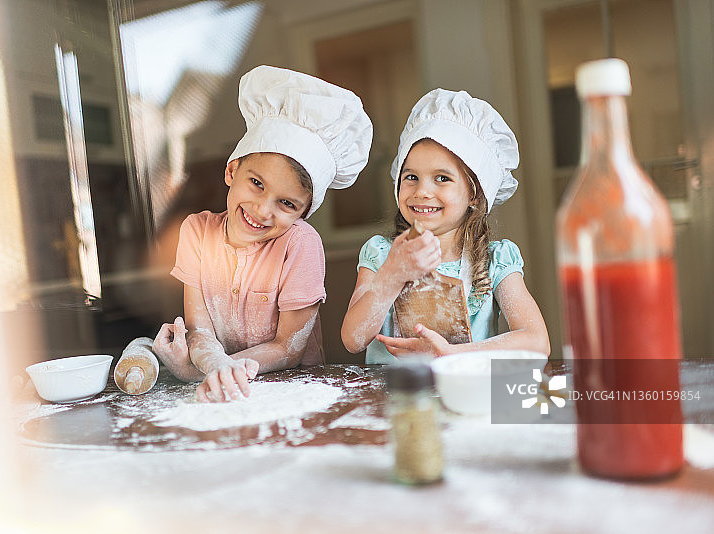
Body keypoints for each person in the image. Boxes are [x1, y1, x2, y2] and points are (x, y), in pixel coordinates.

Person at [153, 65, 372, 401]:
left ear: (304, 213)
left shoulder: (300, 244)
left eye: (286, 203)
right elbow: (201, 332)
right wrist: (213, 367)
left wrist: (213, 369)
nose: (262, 210)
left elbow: (289, 348)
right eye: (256, 184)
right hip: (223, 386)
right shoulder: (196, 232)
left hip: (296, 393)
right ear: (231, 170)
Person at [341, 89, 549, 363]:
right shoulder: (381, 254)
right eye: (411, 176)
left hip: (465, 398)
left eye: (441, 178)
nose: (422, 191)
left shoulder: (494, 261)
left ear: (475, 194)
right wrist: (391, 275)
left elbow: (537, 341)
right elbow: (353, 340)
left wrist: (451, 353)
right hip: (392, 398)